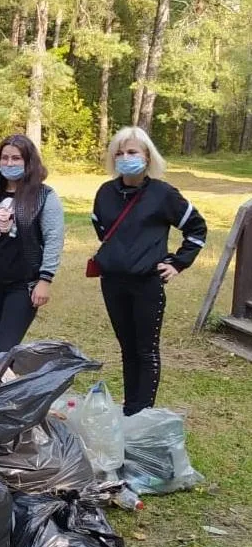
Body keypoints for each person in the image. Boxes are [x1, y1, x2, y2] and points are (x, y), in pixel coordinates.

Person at [92, 127, 206, 415]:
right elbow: (101, 228)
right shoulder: (105, 193)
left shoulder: (163, 194)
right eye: (119, 153)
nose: (125, 157)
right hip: (113, 282)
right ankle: (130, 407)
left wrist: (177, 262)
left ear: (147, 156)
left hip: (146, 284)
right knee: (127, 348)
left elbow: (196, 228)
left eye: (132, 152)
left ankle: (143, 412)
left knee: (145, 349)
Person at [0, 134, 64, 354]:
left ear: (28, 161)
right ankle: (14, 386)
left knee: (4, 346)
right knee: (5, 348)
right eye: (4, 158)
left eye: (16, 158)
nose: (9, 163)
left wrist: (45, 279)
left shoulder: (44, 196)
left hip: (23, 284)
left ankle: (9, 386)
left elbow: (54, 238)